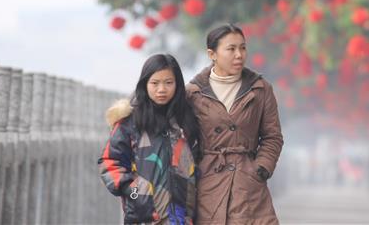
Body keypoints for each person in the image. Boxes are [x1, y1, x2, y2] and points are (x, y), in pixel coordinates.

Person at [187, 23, 284, 225]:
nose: (239, 54)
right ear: (212, 54)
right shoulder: (193, 92)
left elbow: (272, 136)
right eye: (231, 49)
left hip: (248, 184)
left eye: (243, 47)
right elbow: (183, 138)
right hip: (208, 182)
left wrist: (261, 169)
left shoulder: (260, 89)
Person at [98, 54, 203, 224]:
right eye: (155, 83)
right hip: (144, 218)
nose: (161, 89)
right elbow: (109, 162)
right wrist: (135, 194)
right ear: (145, 84)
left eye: (168, 82)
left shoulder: (186, 121)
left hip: (183, 218)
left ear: (177, 84)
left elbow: (199, 162)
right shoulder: (129, 122)